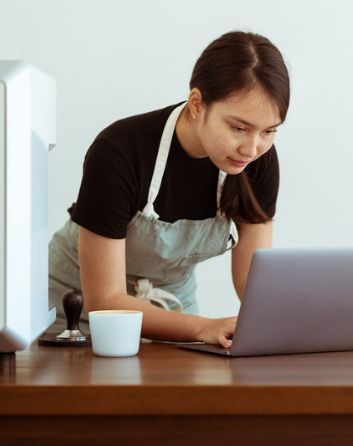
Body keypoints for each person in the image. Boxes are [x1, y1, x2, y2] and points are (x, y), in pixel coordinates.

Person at [47, 31, 289, 349]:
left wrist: (293, 322)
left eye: (269, 131)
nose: (252, 147)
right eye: (238, 128)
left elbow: (252, 282)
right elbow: (105, 299)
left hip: (175, 306)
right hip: (80, 309)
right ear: (197, 105)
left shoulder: (258, 161)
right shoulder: (119, 151)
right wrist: (203, 328)